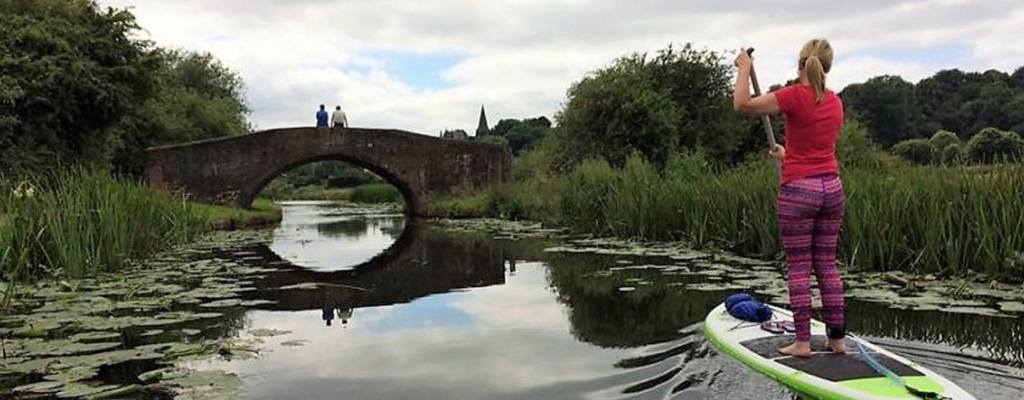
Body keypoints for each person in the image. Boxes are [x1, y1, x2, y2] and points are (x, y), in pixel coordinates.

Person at [732, 39, 846, 358]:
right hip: (831, 188)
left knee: (798, 267)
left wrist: (744, 70)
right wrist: (787, 155)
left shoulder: (794, 96)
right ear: (828, 66)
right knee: (827, 265)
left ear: (800, 64)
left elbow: (742, 105)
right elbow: (815, 149)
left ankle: (802, 343)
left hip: (799, 192)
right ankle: (837, 340)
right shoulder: (836, 102)